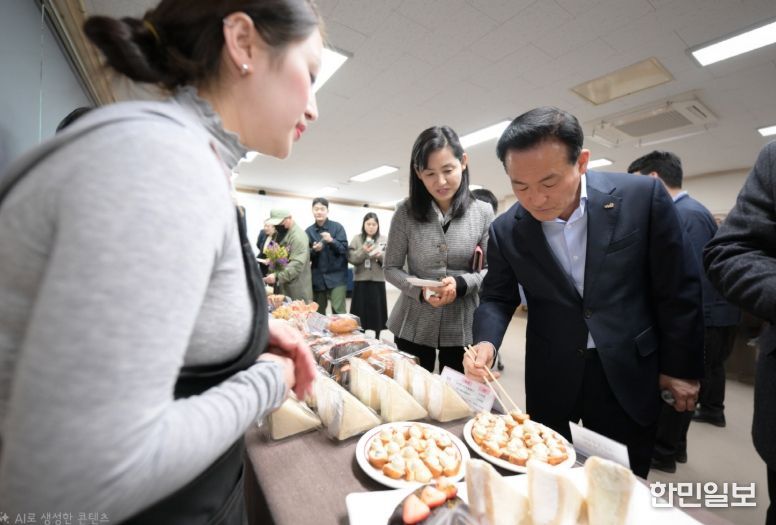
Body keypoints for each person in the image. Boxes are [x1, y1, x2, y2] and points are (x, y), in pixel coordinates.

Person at [0, 1, 321, 523]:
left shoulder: (185, 156)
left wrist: (247, 335)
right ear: (241, 42)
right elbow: (72, 483)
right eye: (309, 73)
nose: (313, 107)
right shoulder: (163, 162)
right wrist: (267, 379)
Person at [463, 107, 703, 478]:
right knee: (545, 473)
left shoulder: (642, 197)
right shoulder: (506, 230)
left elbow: (677, 288)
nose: (536, 199)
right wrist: (487, 343)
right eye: (520, 186)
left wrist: (680, 368)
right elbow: (497, 296)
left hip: (626, 365)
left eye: (549, 182)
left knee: (619, 479)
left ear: (582, 162)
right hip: (551, 368)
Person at [628, 150, 740, 473]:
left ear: (651, 180)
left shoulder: (685, 215)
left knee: (679, 386)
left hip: (702, 319)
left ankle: (663, 452)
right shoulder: (688, 212)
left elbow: (686, 284)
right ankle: (675, 448)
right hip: (705, 317)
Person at [704, 141, 776, 525]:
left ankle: (711, 410)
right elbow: (732, 252)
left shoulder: (689, 214)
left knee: (711, 365)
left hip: (718, 315)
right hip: (724, 312)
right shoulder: (774, 157)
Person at [384, 125, 494, 374]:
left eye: (448, 170)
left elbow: (492, 270)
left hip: (463, 323)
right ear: (417, 173)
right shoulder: (405, 212)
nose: (441, 182)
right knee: (410, 393)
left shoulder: (483, 212)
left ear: (463, 162)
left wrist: (462, 284)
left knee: (458, 398)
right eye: (430, 173)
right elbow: (390, 268)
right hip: (413, 319)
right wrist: (421, 291)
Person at [347, 212, 388, 339]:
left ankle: (377, 335)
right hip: (361, 280)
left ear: (378, 225)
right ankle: (360, 335)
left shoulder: (383, 239)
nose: (371, 227)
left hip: (378, 280)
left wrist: (379, 255)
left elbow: (389, 260)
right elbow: (352, 258)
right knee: (360, 311)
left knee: (377, 311)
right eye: (368, 224)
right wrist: (363, 250)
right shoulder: (357, 239)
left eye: (374, 224)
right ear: (364, 225)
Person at [306, 197, 348, 314]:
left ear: (327, 211)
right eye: (316, 209)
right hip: (318, 278)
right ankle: (319, 333)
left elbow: (344, 250)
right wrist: (314, 250)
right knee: (318, 313)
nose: (319, 212)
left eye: (322, 209)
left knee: (338, 311)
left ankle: (341, 332)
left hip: (337, 277)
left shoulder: (337, 227)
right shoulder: (309, 231)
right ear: (312, 211)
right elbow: (306, 255)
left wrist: (331, 240)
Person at [263, 208, 313, 302]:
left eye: (280, 223)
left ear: (289, 218)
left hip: (296, 288)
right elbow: (273, 252)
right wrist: (272, 262)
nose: (277, 226)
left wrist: (277, 276)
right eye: (275, 224)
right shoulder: (278, 233)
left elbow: (296, 265)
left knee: (297, 314)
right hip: (280, 286)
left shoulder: (298, 237)